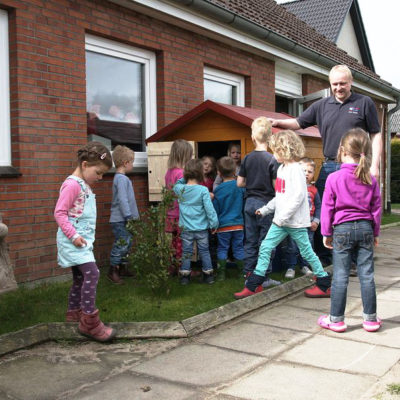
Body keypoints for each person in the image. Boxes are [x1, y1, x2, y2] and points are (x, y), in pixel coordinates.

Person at [268, 64, 381, 272]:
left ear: (351, 82)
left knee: (355, 211)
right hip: (329, 165)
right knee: (322, 208)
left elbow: (376, 133)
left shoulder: (364, 103)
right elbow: (298, 122)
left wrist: (374, 166)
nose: (339, 87)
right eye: (335, 84)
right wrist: (277, 121)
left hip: (355, 166)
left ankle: (354, 261)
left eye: (343, 84)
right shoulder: (322, 105)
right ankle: (326, 255)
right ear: (330, 84)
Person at [234, 130, 331, 299]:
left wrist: (282, 218)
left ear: (284, 149)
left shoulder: (296, 170)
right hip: (281, 221)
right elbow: (279, 196)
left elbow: (299, 197)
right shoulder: (281, 170)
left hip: (294, 223)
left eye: (276, 150)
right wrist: (265, 210)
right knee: (265, 247)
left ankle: (324, 284)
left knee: (307, 252)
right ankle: (254, 284)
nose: (273, 153)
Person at [318, 128, 382, 332]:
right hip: (365, 228)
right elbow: (376, 208)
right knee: (366, 274)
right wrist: (376, 232)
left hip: (342, 229)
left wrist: (326, 233)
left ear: (342, 151)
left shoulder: (333, 178)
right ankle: (370, 319)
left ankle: (336, 319)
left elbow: (327, 208)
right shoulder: (370, 179)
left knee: (340, 275)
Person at [54, 141, 116, 342]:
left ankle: (74, 314)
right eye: (98, 173)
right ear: (85, 165)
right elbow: (60, 213)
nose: (100, 178)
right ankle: (90, 323)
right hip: (73, 241)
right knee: (93, 273)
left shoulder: (83, 185)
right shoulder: (72, 185)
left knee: (80, 278)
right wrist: (73, 236)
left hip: (80, 241)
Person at [237, 117, 280, 287]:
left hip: (249, 203)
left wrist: (252, 183)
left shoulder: (247, 158)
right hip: (266, 205)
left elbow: (239, 183)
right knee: (266, 241)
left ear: (253, 137)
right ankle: (264, 276)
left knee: (250, 240)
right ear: (270, 139)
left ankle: (248, 273)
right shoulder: (272, 159)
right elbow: (276, 187)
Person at [173, 159, 219, 285]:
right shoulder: (203, 190)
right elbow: (210, 209)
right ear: (200, 174)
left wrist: (184, 177)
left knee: (186, 252)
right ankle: (208, 276)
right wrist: (214, 224)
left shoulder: (180, 189)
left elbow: (176, 184)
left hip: (186, 229)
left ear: (186, 174)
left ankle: (184, 277)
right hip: (201, 229)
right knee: (204, 251)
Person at [284, 157, 321, 279]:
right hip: (294, 224)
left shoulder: (314, 190)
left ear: (313, 174)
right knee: (292, 246)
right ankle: (291, 267)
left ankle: (304, 266)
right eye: (303, 171)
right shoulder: (292, 188)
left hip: (309, 224)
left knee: (307, 246)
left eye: (309, 172)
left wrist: (316, 221)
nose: (306, 174)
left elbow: (319, 207)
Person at [108, 145, 139, 284]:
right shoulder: (121, 179)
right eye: (132, 162)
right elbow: (122, 199)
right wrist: (128, 216)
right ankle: (112, 270)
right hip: (121, 219)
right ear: (125, 163)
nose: (132, 165)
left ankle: (123, 268)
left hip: (125, 219)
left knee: (127, 243)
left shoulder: (122, 178)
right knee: (122, 243)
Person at [213, 156, 245, 281]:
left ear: (219, 173)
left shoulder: (218, 190)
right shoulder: (239, 186)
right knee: (238, 248)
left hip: (223, 225)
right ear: (235, 172)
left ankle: (221, 274)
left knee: (222, 248)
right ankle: (242, 273)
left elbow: (215, 209)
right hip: (238, 224)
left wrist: (214, 225)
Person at [164, 139, 194, 275]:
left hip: (171, 214)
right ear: (184, 156)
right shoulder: (181, 173)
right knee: (183, 243)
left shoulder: (169, 172)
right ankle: (184, 269)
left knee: (174, 243)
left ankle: (173, 267)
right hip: (181, 214)